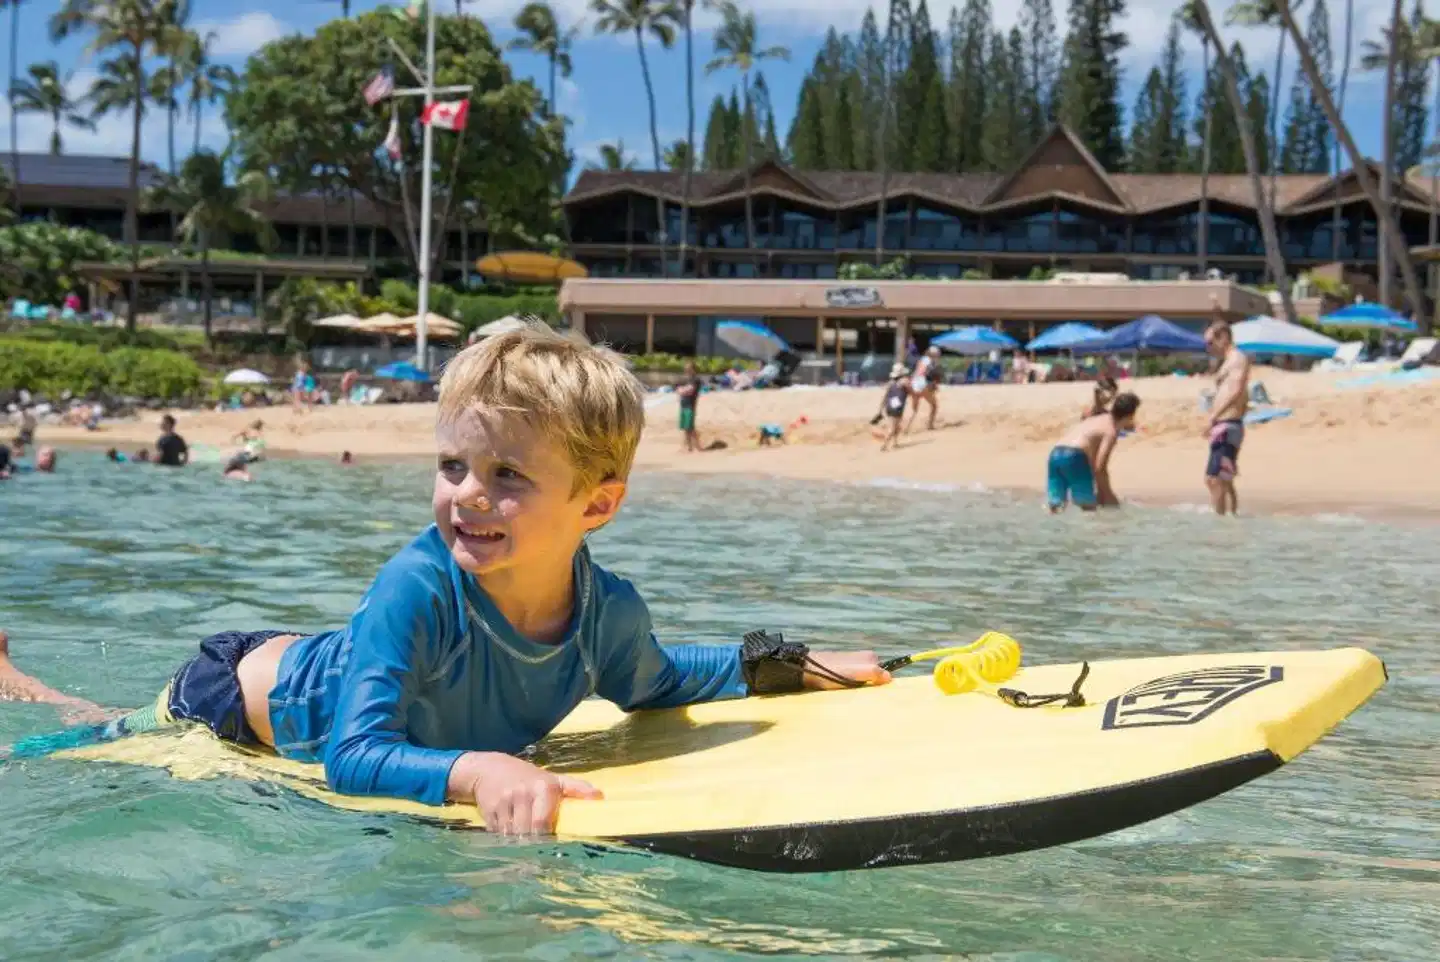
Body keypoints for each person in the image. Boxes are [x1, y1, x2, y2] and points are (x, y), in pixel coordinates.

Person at [0, 325, 889, 836]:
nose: (469, 496)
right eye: (454, 465)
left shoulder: (609, 614)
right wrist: (474, 772)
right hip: (232, 698)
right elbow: (351, 758)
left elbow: (662, 682)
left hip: (333, 666)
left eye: (508, 476)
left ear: (596, 505)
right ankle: (20, 684)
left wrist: (788, 662)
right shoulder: (417, 587)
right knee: (83, 744)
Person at [1046, 392, 1141, 513]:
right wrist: (1107, 495)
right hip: (1075, 455)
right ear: (1130, 415)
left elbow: (1093, 463)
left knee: (1056, 507)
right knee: (1087, 508)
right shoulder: (1111, 431)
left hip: (1055, 454)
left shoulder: (1097, 418)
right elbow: (1100, 467)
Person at [1203, 320, 1250, 517]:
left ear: (1223, 338)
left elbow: (1237, 390)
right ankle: (1231, 519)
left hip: (1227, 425)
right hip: (1225, 424)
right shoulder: (1228, 361)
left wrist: (1214, 415)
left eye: (1210, 343)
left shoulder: (1237, 359)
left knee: (1215, 478)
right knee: (1224, 477)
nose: (1208, 348)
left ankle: (1219, 520)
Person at [905, 346, 943, 433]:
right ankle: (930, 425)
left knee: (914, 409)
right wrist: (934, 385)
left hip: (914, 385)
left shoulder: (922, 360)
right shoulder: (933, 362)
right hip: (923, 385)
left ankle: (907, 428)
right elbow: (931, 375)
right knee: (934, 405)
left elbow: (916, 372)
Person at [873, 363, 910, 452]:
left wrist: (880, 409)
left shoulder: (890, 383)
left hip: (889, 405)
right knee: (893, 427)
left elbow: (885, 396)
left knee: (896, 425)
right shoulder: (904, 382)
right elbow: (910, 391)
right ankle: (885, 445)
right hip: (898, 407)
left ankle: (895, 442)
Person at [676, 360, 703, 453]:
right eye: (686, 369)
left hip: (690, 405)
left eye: (688, 369)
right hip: (683, 404)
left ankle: (698, 447)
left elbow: (690, 390)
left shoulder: (696, 380)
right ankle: (689, 446)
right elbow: (679, 389)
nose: (686, 370)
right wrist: (683, 390)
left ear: (693, 369)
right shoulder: (684, 379)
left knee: (690, 427)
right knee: (685, 427)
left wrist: (683, 390)